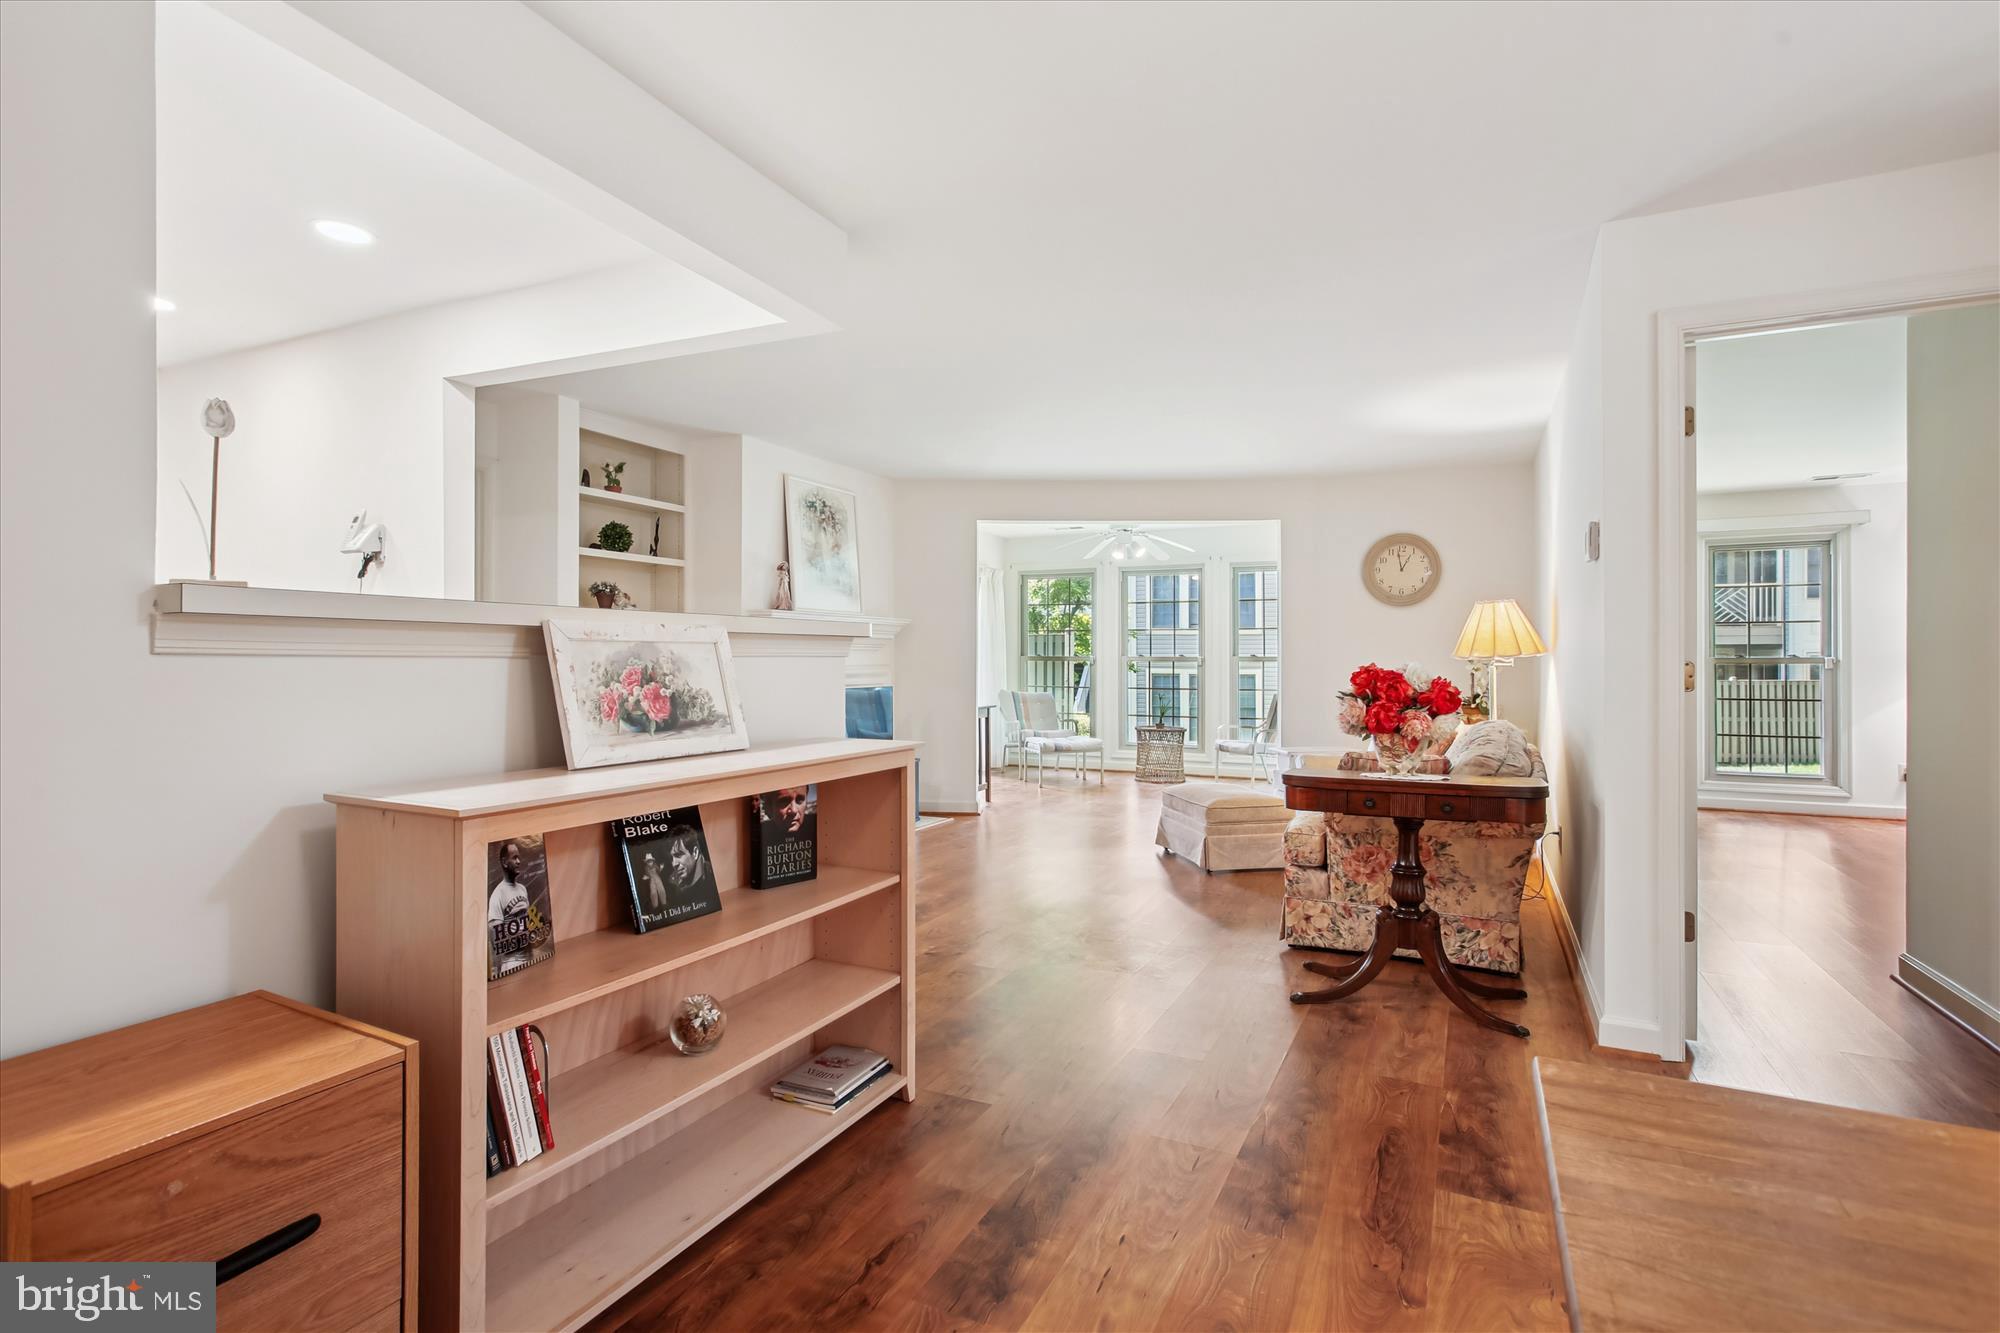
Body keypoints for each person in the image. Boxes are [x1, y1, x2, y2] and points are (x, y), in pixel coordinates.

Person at [488, 840, 531, 926]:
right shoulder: (497, 895)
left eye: (518, 857)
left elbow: (527, 921)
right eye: (514, 858)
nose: (518, 861)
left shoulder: (523, 889)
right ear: (504, 863)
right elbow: (495, 935)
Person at [665, 824, 710, 893]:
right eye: (671, 858)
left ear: (695, 852)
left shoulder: (712, 874)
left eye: (678, 855)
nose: (674, 864)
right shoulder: (672, 883)